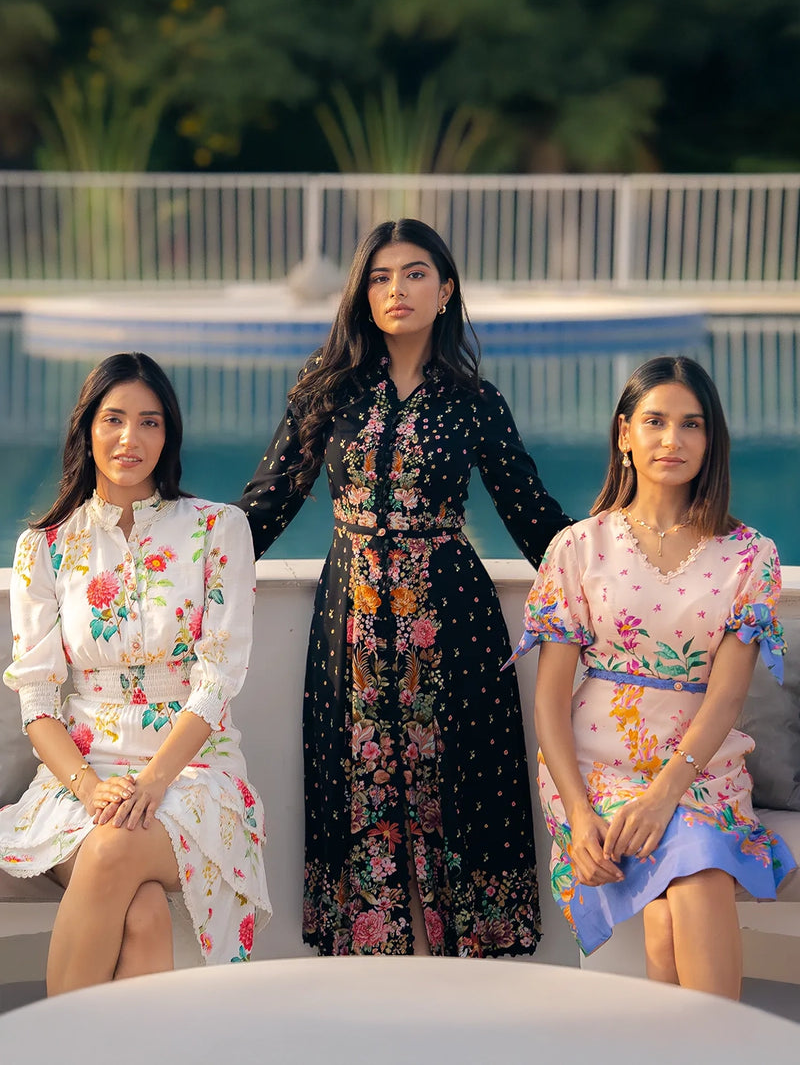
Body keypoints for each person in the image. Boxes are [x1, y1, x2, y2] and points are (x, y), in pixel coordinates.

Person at [236, 218, 570, 956]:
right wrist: (174, 556)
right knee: (361, 799)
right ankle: (378, 999)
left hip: (455, 624)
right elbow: (266, 505)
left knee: (462, 802)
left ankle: (465, 997)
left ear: (445, 290)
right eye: (382, 277)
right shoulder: (325, 390)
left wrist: (626, 558)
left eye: (416, 273)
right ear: (363, 293)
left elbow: (535, 517)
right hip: (348, 628)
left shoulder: (476, 403)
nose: (397, 290)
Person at [505, 354, 795, 999]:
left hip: (700, 768)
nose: (673, 440)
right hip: (594, 773)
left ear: (710, 439)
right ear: (624, 434)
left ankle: (708, 1046)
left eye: (692, 424)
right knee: (681, 891)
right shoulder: (577, 547)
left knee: (689, 880)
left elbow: (727, 695)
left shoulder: (750, 555)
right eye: (656, 421)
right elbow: (549, 699)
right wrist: (579, 814)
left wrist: (666, 791)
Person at [1, 352, 270, 995]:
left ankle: (45, 1050)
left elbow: (218, 681)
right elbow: (38, 699)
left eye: (149, 423)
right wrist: (91, 788)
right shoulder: (46, 545)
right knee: (142, 913)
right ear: (87, 429)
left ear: (167, 436)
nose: (131, 438)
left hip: (194, 777)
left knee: (113, 848)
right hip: (80, 782)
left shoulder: (217, 530)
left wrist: (151, 783)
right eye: (114, 419)